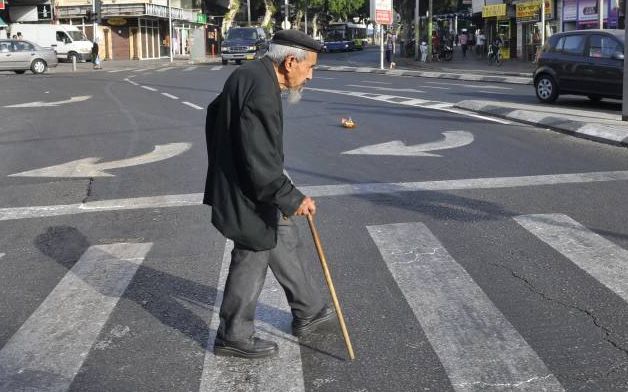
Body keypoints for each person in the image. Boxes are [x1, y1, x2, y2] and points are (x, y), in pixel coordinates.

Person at [203, 29, 335, 359]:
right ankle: (234, 334)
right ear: (290, 62)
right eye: (310, 68)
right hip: (248, 187)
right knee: (254, 249)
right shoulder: (262, 91)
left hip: (246, 178)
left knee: (284, 235)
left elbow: (216, 114)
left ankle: (310, 310)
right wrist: (290, 196)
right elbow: (259, 160)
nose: (311, 76)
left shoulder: (248, 73)